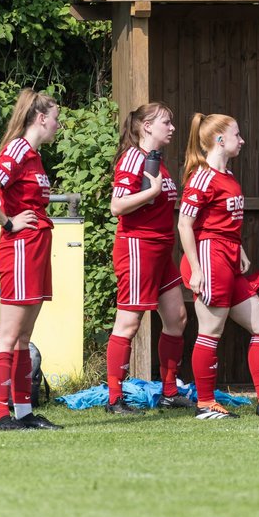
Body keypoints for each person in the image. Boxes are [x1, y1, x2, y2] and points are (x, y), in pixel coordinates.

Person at [178, 113, 259, 420]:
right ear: (219, 140)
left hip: (228, 256)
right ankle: (205, 404)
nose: (241, 141)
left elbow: (222, 221)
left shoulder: (227, 176)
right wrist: (197, 268)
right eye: (237, 135)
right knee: (211, 330)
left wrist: (238, 247)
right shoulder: (202, 176)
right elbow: (185, 225)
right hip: (209, 256)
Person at [0, 88, 64, 431]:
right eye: (55, 119)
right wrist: (9, 222)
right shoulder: (18, 149)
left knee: (24, 337)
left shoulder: (35, 157)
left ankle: (25, 413)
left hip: (37, 247)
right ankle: (1, 416)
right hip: (21, 249)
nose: (58, 125)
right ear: (41, 118)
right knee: (8, 335)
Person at [105, 101, 190, 414]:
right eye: (166, 123)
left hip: (160, 250)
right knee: (128, 322)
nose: (172, 128)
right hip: (138, 248)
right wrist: (150, 194)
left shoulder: (156, 161)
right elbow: (117, 206)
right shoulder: (133, 157)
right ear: (146, 126)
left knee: (177, 318)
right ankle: (115, 399)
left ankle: (169, 391)